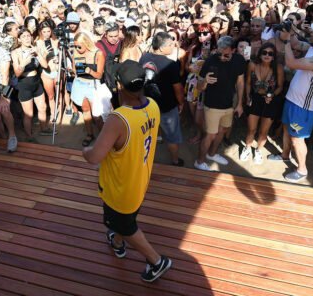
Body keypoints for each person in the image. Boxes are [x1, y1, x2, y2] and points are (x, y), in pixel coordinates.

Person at [82, 60, 172, 283]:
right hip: (140, 180)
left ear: (119, 86)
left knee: (125, 225)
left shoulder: (118, 119)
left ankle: (156, 261)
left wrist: (86, 150)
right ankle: (118, 242)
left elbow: (94, 157)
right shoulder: (152, 105)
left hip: (120, 188)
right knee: (124, 220)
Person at [270, 21, 313, 182]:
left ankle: (302, 170)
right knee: (287, 129)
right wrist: (290, 30)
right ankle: (285, 155)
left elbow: (292, 63)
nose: (312, 33)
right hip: (293, 99)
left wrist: (286, 40)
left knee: (297, 138)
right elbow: (296, 44)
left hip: (304, 106)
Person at [195, 36, 246, 171]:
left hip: (229, 105)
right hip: (212, 105)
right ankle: (199, 162)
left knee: (222, 131)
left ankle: (211, 154)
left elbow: (240, 82)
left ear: (234, 50)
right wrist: (205, 80)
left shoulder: (239, 60)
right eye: (219, 52)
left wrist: (240, 103)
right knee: (210, 134)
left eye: (226, 53)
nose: (222, 56)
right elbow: (199, 87)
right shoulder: (211, 60)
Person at [139, 32, 185, 167]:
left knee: (147, 132)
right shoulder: (171, 64)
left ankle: (144, 158)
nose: (173, 46)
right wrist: (181, 103)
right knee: (172, 135)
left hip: (147, 104)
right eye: (170, 45)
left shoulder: (144, 57)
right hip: (167, 106)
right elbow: (178, 88)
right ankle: (176, 160)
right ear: (160, 48)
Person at [241, 42, 284, 164]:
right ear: (260, 54)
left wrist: (272, 95)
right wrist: (247, 96)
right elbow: (248, 82)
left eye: (270, 53)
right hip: (255, 99)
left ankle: (258, 151)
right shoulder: (252, 65)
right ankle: (247, 148)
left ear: (274, 56)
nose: (267, 55)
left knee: (264, 132)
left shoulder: (278, 68)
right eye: (264, 52)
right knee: (251, 129)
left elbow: (280, 86)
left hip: (270, 101)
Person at [10, 28, 50, 141]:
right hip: (24, 84)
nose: (27, 38)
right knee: (29, 114)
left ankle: (44, 129)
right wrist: (24, 62)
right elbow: (17, 73)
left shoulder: (36, 49)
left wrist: (37, 53)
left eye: (28, 36)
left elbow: (45, 65)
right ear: (19, 39)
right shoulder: (15, 52)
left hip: (36, 82)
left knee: (42, 108)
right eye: (24, 36)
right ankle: (29, 136)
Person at [72, 31, 106, 147]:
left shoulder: (98, 54)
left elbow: (99, 75)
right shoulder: (75, 52)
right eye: (75, 46)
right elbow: (75, 72)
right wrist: (73, 70)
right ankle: (90, 134)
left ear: (86, 43)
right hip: (80, 84)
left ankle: (104, 138)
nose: (77, 48)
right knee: (85, 110)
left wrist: (89, 70)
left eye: (79, 46)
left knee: (97, 115)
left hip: (93, 86)